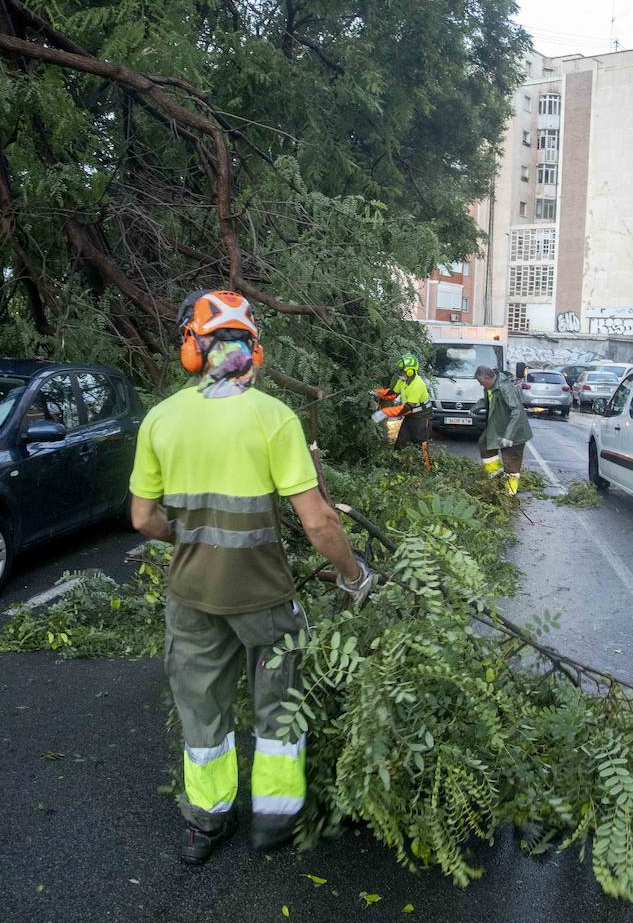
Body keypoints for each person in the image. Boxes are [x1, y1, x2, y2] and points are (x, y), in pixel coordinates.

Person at [129, 289, 373, 866]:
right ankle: (274, 819)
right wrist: (353, 573)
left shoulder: (161, 420)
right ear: (253, 351)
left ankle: (205, 822)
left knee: (201, 710)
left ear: (193, 349)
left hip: (191, 597)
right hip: (265, 599)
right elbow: (318, 521)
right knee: (280, 705)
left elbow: (143, 519)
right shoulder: (273, 417)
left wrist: (189, 540)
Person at [474, 364, 532, 496]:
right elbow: (490, 400)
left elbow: (517, 412)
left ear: (488, 378)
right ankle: (496, 474)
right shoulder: (491, 387)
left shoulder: (506, 388)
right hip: (500, 427)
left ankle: (510, 493)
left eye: (481, 382)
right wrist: (477, 406)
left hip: (515, 432)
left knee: (511, 462)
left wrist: (509, 436)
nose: (480, 385)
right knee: (484, 443)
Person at [390, 353, 433, 455]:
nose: (399, 373)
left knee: (420, 445)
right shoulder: (402, 381)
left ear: (409, 371)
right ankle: (399, 460)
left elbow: (409, 407)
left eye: (401, 370)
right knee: (400, 444)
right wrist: (378, 393)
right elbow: (393, 393)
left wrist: (387, 413)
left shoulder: (417, 384)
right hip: (410, 416)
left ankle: (424, 464)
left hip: (421, 417)